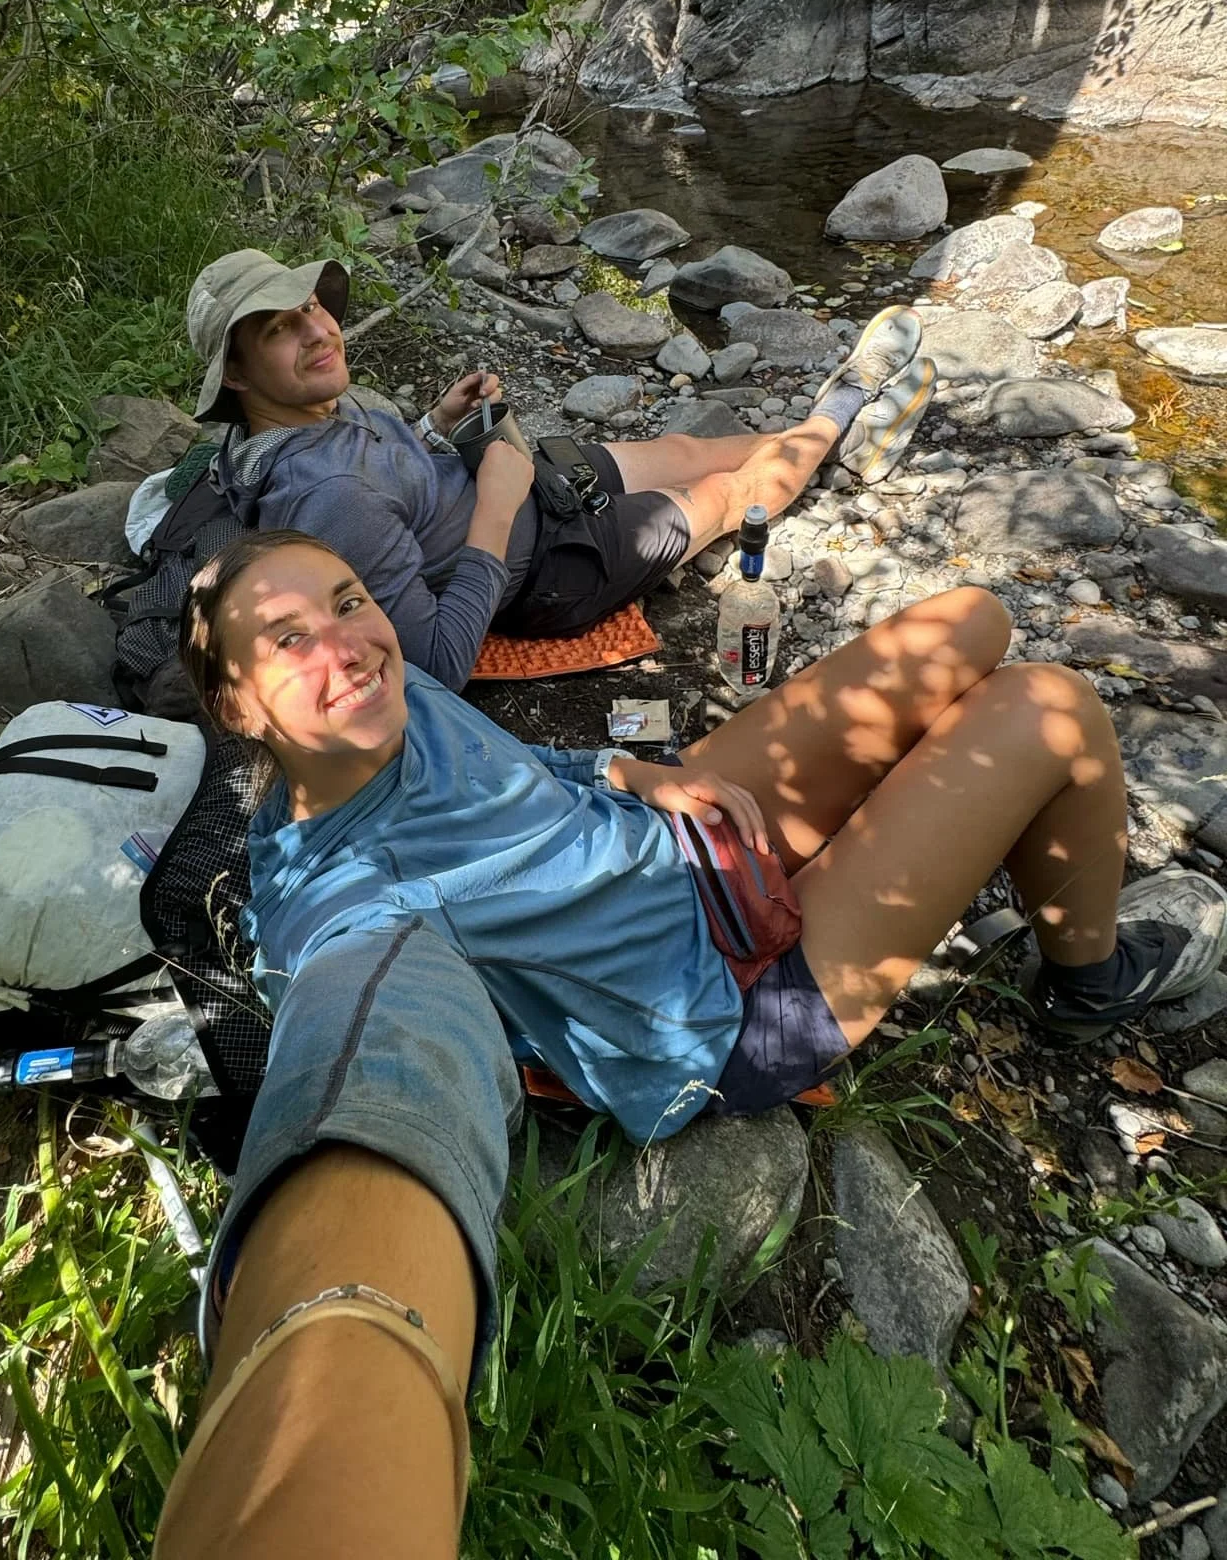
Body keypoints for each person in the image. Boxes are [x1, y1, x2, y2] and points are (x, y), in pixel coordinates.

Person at [152, 530, 1227, 1560]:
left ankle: (983, 857)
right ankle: (1090, 979)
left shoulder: (383, 702)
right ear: (240, 706)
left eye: (349, 601)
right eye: (288, 639)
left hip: (680, 840)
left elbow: (515, 762)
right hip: (730, 1003)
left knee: (972, 621)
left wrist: (629, 769)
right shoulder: (343, 911)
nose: (346, 642)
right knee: (1050, 706)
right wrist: (336, 1314)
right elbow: (373, 1058)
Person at [185, 248, 936, 689]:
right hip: (548, 566)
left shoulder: (308, 415)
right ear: (239, 380)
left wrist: (433, 427)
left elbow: (394, 484)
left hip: (528, 493)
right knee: (724, 492)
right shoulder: (329, 498)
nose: (321, 331)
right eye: (284, 330)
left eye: (315, 308)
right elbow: (438, 665)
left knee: (685, 449)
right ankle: (842, 411)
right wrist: (493, 508)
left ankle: (824, 432)